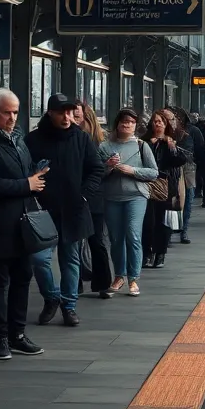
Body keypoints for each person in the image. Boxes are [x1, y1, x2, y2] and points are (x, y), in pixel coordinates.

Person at [0, 89, 46, 361]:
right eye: (6, 112)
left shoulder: (17, 138)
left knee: (23, 279)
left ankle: (17, 334)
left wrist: (35, 175)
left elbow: (24, 169)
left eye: (15, 112)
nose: (12, 118)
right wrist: (27, 184)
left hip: (22, 222)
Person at [24, 94, 103, 327]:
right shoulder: (33, 140)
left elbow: (96, 169)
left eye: (70, 112)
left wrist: (84, 194)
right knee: (39, 259)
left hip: (74, 207)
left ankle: (69, 306)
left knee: (70, 259)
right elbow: (25, 170)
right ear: (50, 112)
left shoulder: (81, 139)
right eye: (61, 112)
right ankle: (51, 297)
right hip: (41, 210)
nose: (67, 117)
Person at [100, 108, 159, 295]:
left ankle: (134, 278)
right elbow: (96, 174)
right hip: (111, 197)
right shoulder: (104, 147)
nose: (127, 125)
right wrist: (108, 167)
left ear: (136, 125)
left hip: (136, 196)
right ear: (117, 123)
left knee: (133, 234)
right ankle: (119, 276)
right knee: (116, 238)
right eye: (124, 121)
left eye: (131, 122)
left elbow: (154, 172)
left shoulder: (142, 146)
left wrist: (132, 171)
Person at [75, 101, 113, 297]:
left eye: (76, 115)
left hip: (94, 196)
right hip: (73, 196)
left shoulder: (99, 142)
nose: (72, 119)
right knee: (74, 242)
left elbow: (100, 170)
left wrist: (108, 166)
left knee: (95, 240)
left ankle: (102, 283)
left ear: (85, 117)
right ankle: (76, 283)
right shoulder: (67, 138)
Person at [142, 111, 186, 269]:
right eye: (155, 121)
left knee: (161, 221)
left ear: (166, 125)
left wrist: (172, 147)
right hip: (146, 184)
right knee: (147, 221)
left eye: (161, 121)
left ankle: (160, 253)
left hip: (163, 186)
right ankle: (147, 253)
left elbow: (180, 160)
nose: (157, 124)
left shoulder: (169, 142)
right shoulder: (144, 142)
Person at [172, 106, 202, 244]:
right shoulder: (167, 130)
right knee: (171, 200)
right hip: (171, 167)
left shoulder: (193, 131)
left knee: (188, 200)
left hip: (188, 167)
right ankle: (170, 230)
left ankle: (184, 230)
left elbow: (201, 147)